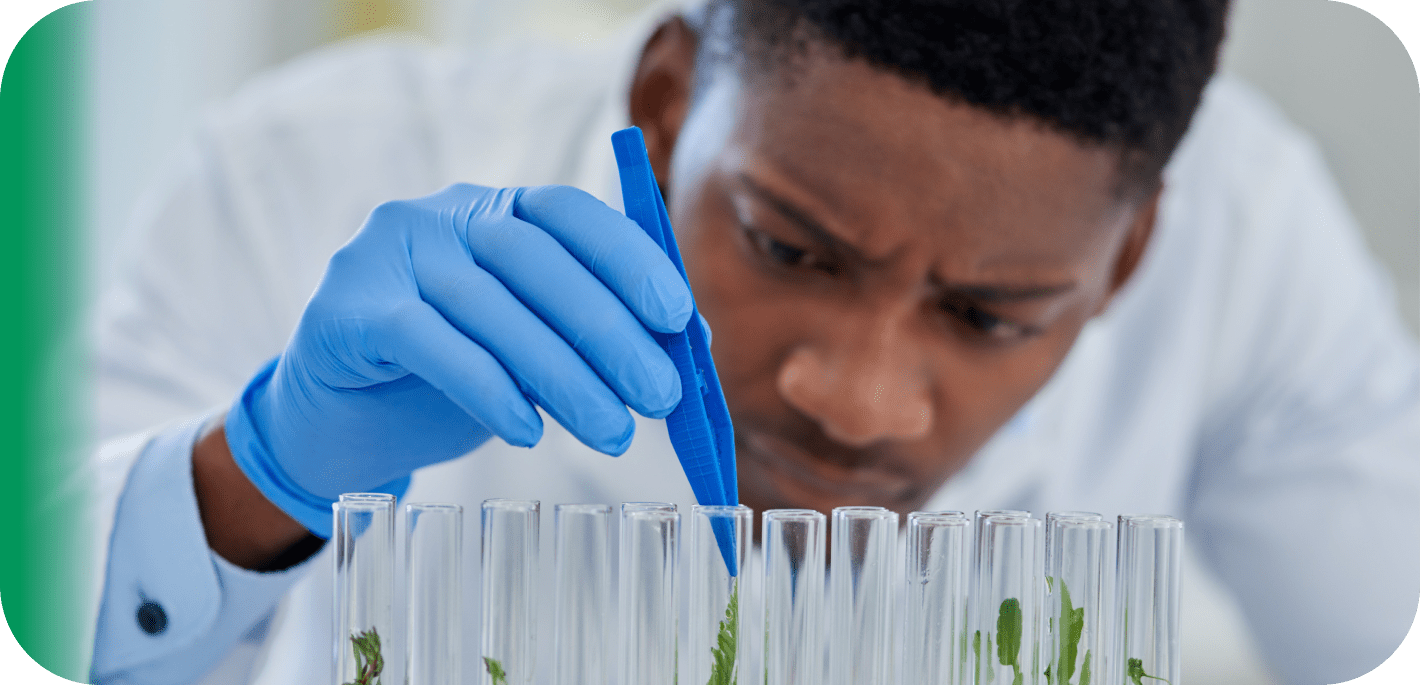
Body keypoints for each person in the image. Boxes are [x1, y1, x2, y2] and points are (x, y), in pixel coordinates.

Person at [87, 0, 1419, 684]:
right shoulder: (292, 172)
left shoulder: (1251, 239)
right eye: (792, 247)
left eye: (990, 315)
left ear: (1126, 260)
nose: (855, 399)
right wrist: (255, 475)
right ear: (663, 107)